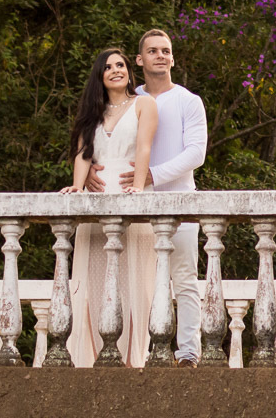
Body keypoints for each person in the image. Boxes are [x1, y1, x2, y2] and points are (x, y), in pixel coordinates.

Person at [86, 28, 207, 368]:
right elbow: (103, 136)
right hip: (132, 206)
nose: (160, 55)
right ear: (139, 60)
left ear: (173, 58)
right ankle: (137, 352)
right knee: (134, 282)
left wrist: (155, 175)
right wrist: (95, 169)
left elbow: (196, 153)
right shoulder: (127, 99)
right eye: (152, 51)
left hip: (178, 202)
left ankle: (187, 354)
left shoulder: (188, 101)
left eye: (166, 50)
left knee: (183, 280)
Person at [62, 48, 158, 367]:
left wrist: (139, 184)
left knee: (135, 283)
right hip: (98, 203)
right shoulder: (93, 113)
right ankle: (92, 359)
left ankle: (135, 361)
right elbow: (83, 153)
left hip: (131, 196)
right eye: (107, 67)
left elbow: (144, 146)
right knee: (95, 282)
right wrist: (78, 185)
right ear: (99, 77)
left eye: (120, 65)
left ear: (129, 71)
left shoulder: (144, 104)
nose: (115, 70)